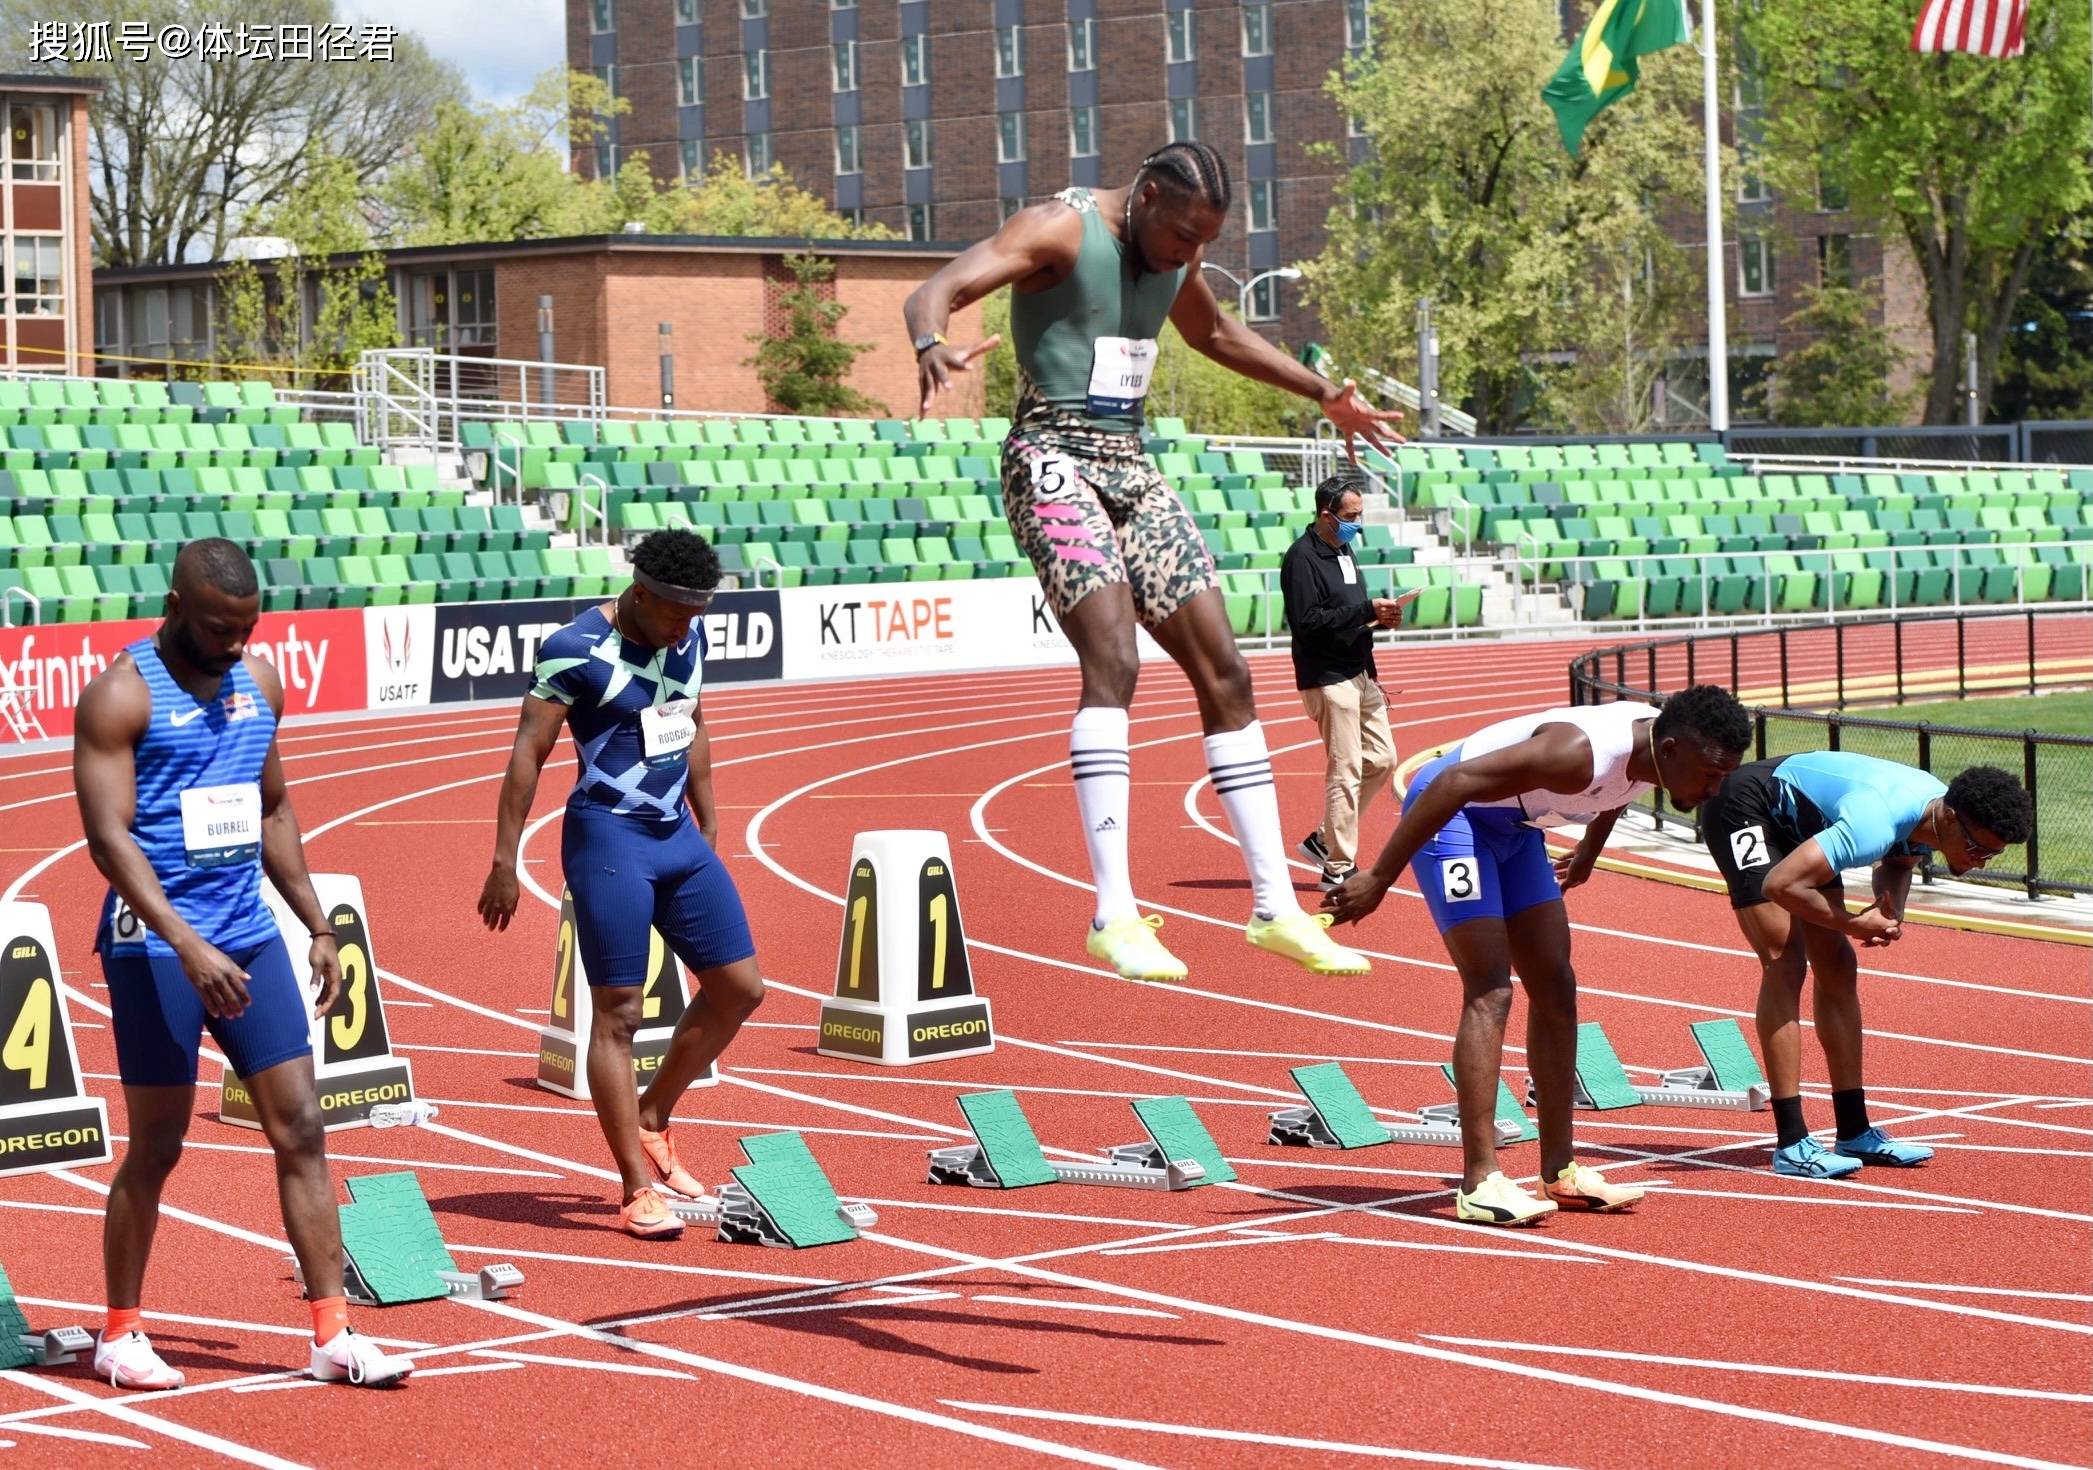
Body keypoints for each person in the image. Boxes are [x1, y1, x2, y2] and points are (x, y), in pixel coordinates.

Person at [903, 139, 1403, 982]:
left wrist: (1320, 393)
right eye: (1179, 237)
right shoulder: (1059, 228)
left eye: (1204, 242)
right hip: (1051, 456)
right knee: (1115, 658)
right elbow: (936, 288)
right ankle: (1113, 915)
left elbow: (1213, 331)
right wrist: (931, 342)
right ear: (1141, 198)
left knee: (1228, 675)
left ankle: (1275, 909)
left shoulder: (1178, 250)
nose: (1188, 255)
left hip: (1130, 465)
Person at [73, 539, 413, 1390]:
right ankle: (119, 1332)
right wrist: (188, 948)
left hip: (247, 933)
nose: (234, 644)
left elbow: (272, 808)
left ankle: (332, 1335)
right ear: (177, 605)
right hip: (156, 946)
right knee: (157, 1144)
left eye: (247, 628)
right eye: (220, 629)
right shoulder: (121, 694)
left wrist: (320, 926)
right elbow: (108, 839)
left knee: (301, 1125)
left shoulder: (259, 683)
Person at [1325, 687, 1752, 1225]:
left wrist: (1589, 853)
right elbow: (1453, 783)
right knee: (1490, 987)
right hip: (1454, 817)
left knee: (1555, 983)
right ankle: (1479, 1181)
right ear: (1668, 749)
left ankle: (1560, 1170)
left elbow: (1622, 787)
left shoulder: (1659, 752)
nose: (1714, 790)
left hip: (1516, 830)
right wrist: (1378, 879)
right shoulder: (1574, 754)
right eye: (1710, 775)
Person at [478, 529, 764, 1239]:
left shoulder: (685, 638)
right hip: (608, 840)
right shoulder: (572, 648)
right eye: (674, 611)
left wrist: (711, 819)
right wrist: (504, 861)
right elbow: (528, 751)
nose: (685, 626)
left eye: (695, 614)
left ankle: (653, 1115)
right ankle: (637, 1187)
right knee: (620, 1012)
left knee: (740, 988)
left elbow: (690, 720)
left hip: (676, 838)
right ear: (639, 593)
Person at [1697, 752, 2032, 1179]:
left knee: (1838, 964)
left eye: (1991, 855)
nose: (1980, 861)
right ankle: (1791, 1141)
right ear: (1949, 817)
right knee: (1786, 959)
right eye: (1975, 848)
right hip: (1746, 804)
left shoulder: (1931, 817)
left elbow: (1898, 862)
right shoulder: (1875, 823)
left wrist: (1890, 913)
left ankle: (1854, 1129)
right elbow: (1779, 884)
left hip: (1805, 823)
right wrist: (1854, 922)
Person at [1278, 473, 1412, 892]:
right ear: (1326, 515)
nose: (1359, 522)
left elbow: (1351, 611)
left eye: (1360, 514)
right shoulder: (1301, 558)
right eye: (1351, 516)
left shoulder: (1345, 550)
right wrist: (1363, 611)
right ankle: (1337, 866)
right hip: (1327, 677)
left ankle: (1322, 839)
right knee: (1346, 768)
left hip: (1359, 671)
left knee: (1384, 759)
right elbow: (1307, 622)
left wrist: (1380, 617)